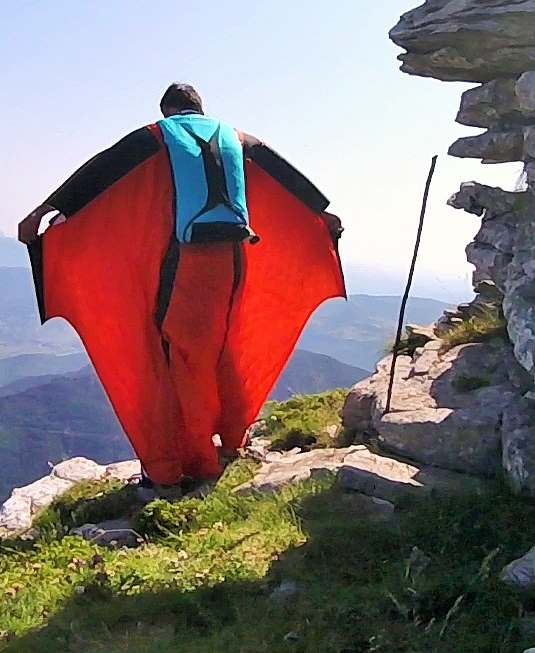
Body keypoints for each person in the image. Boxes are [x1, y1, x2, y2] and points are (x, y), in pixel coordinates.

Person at [19, 83, 345, 495]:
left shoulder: (158, 135)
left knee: (177, 356)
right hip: (235, 261)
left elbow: (101, 170)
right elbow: (286, 174)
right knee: (222, 347)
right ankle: (229, 440)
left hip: (184, 263)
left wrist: (42, 213)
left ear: (169, 111)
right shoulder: (238, 138)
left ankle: (181, 467)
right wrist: (323, 213)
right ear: (200, 109)